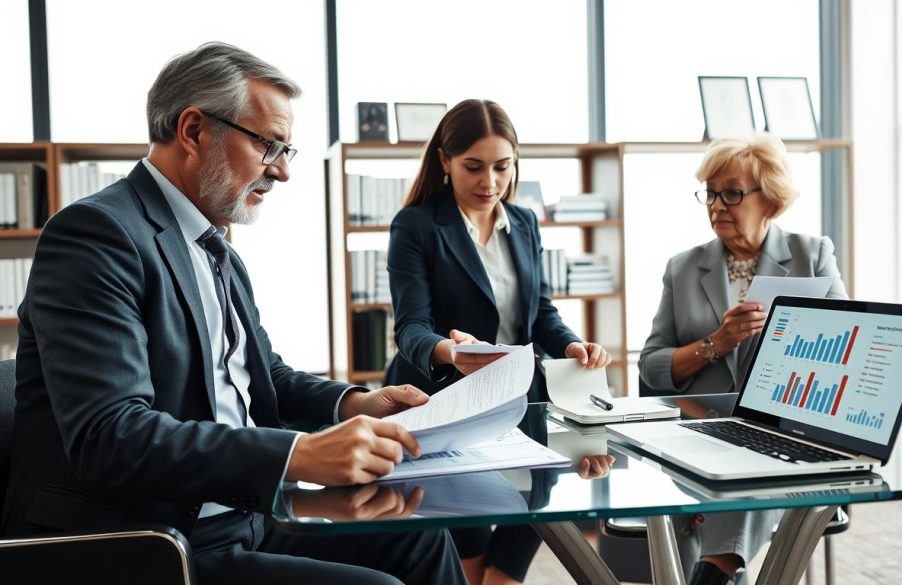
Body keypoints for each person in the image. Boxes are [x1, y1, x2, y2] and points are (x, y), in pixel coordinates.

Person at [0, 42, 466, 585]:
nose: (283, 172)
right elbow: (113, 435)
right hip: (145, 540)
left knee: (422, 536)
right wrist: (297, 453)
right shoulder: (96, 236)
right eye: (270, 145)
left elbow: (261, 373)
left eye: (286, 151)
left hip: (237, 512)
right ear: (194, 130)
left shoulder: (213, 244)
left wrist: (353, 402)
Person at [385, 98, 611, 585]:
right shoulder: (417, 226)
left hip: (521, 405)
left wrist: (573, 346)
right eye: (474, 167)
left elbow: (540, 313)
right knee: (466, 563)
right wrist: (456, 354)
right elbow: (410, 330)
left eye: (502, 167)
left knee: (510, 564)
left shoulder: (524, 223)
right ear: (445, 162)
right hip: (444, 406)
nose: (490, 182)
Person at [638, 134, 849, 585]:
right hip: (697, 435)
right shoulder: (683, 267)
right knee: (733, 480)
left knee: (751, 472)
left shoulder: (812, 255)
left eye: (731, 193)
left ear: (769, 198)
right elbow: (651, 367)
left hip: (783, 434)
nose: (717, 205)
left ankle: (712, 573)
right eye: (710, 194)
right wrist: (715, 343)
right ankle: (716, 572)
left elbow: (848, 347)